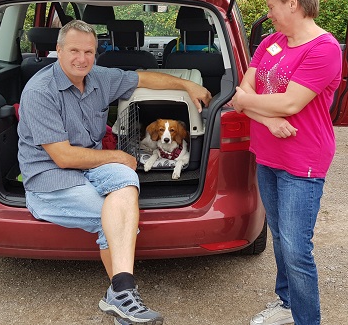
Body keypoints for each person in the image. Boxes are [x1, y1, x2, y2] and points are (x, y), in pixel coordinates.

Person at [17, 19, 211, 325]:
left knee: (126, 177)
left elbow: (143, 77)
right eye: (74, 51)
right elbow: (63, 157)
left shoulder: (98, 77)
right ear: (58, 50)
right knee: (112, 219)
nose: (82, 59)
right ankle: (122, 293)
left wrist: (187, 85)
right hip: (50, 179)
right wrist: (117, 155)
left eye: (89, 52)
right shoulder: (40, 92)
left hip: (90, 168)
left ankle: (118, 296)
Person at [231, 0, 342, 325]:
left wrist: (250, 103)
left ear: (292, 3)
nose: (269, 13)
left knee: (296, 248)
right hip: (268, 152)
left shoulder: (324, 48)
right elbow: (242, 93)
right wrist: (267, 120)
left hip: (302, 159)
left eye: (271, 6)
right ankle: (286, 304)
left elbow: (290, 103)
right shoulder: (271, 42)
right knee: (280, 237)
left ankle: (306, 320)